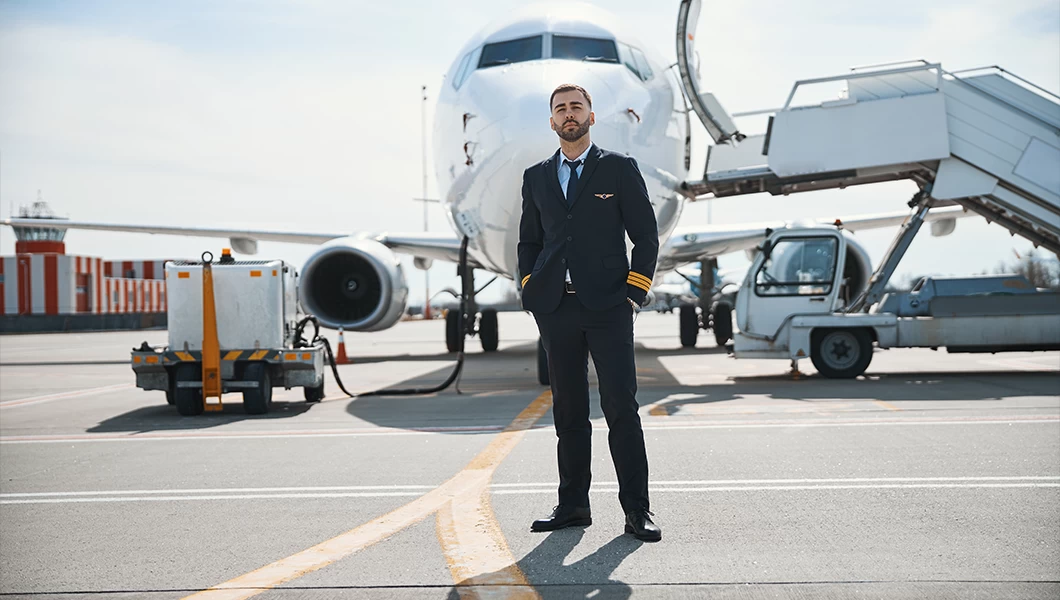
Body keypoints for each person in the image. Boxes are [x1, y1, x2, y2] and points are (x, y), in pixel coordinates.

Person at [517, 83, 661, 542]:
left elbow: (646, 237)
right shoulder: (536, 176)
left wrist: (634, 294)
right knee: (569, 413)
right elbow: (529, 242)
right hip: (557, 309)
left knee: (622, 408)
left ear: (592, 117)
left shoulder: (618, 169)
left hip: (608, 307)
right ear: (552, 121)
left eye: (576, 106)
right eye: (560, 108)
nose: (568, 113)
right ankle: (573, 505)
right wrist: (529, 288)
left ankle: (637, 509)